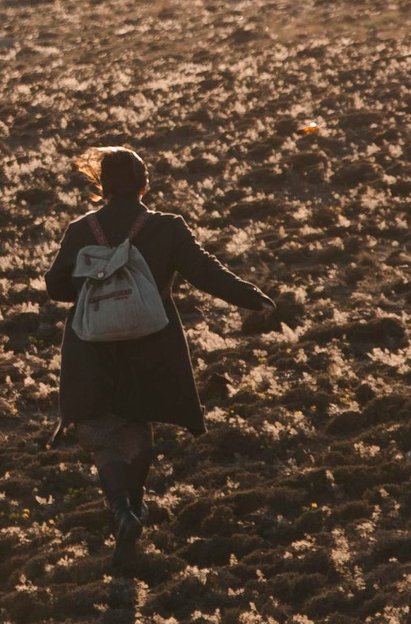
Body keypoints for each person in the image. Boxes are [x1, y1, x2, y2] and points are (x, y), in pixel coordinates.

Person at [44, 145, 276, 551]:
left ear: (102, 185)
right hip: (150, 347)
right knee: (138, 429)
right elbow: (206, 272)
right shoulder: (167, 227)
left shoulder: (81, 229)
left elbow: (55, 285)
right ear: (144, 185)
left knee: (102, 434)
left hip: (92, 347)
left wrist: (96, 284)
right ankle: (134, 505)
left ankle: (120, 510)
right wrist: (254, 298)